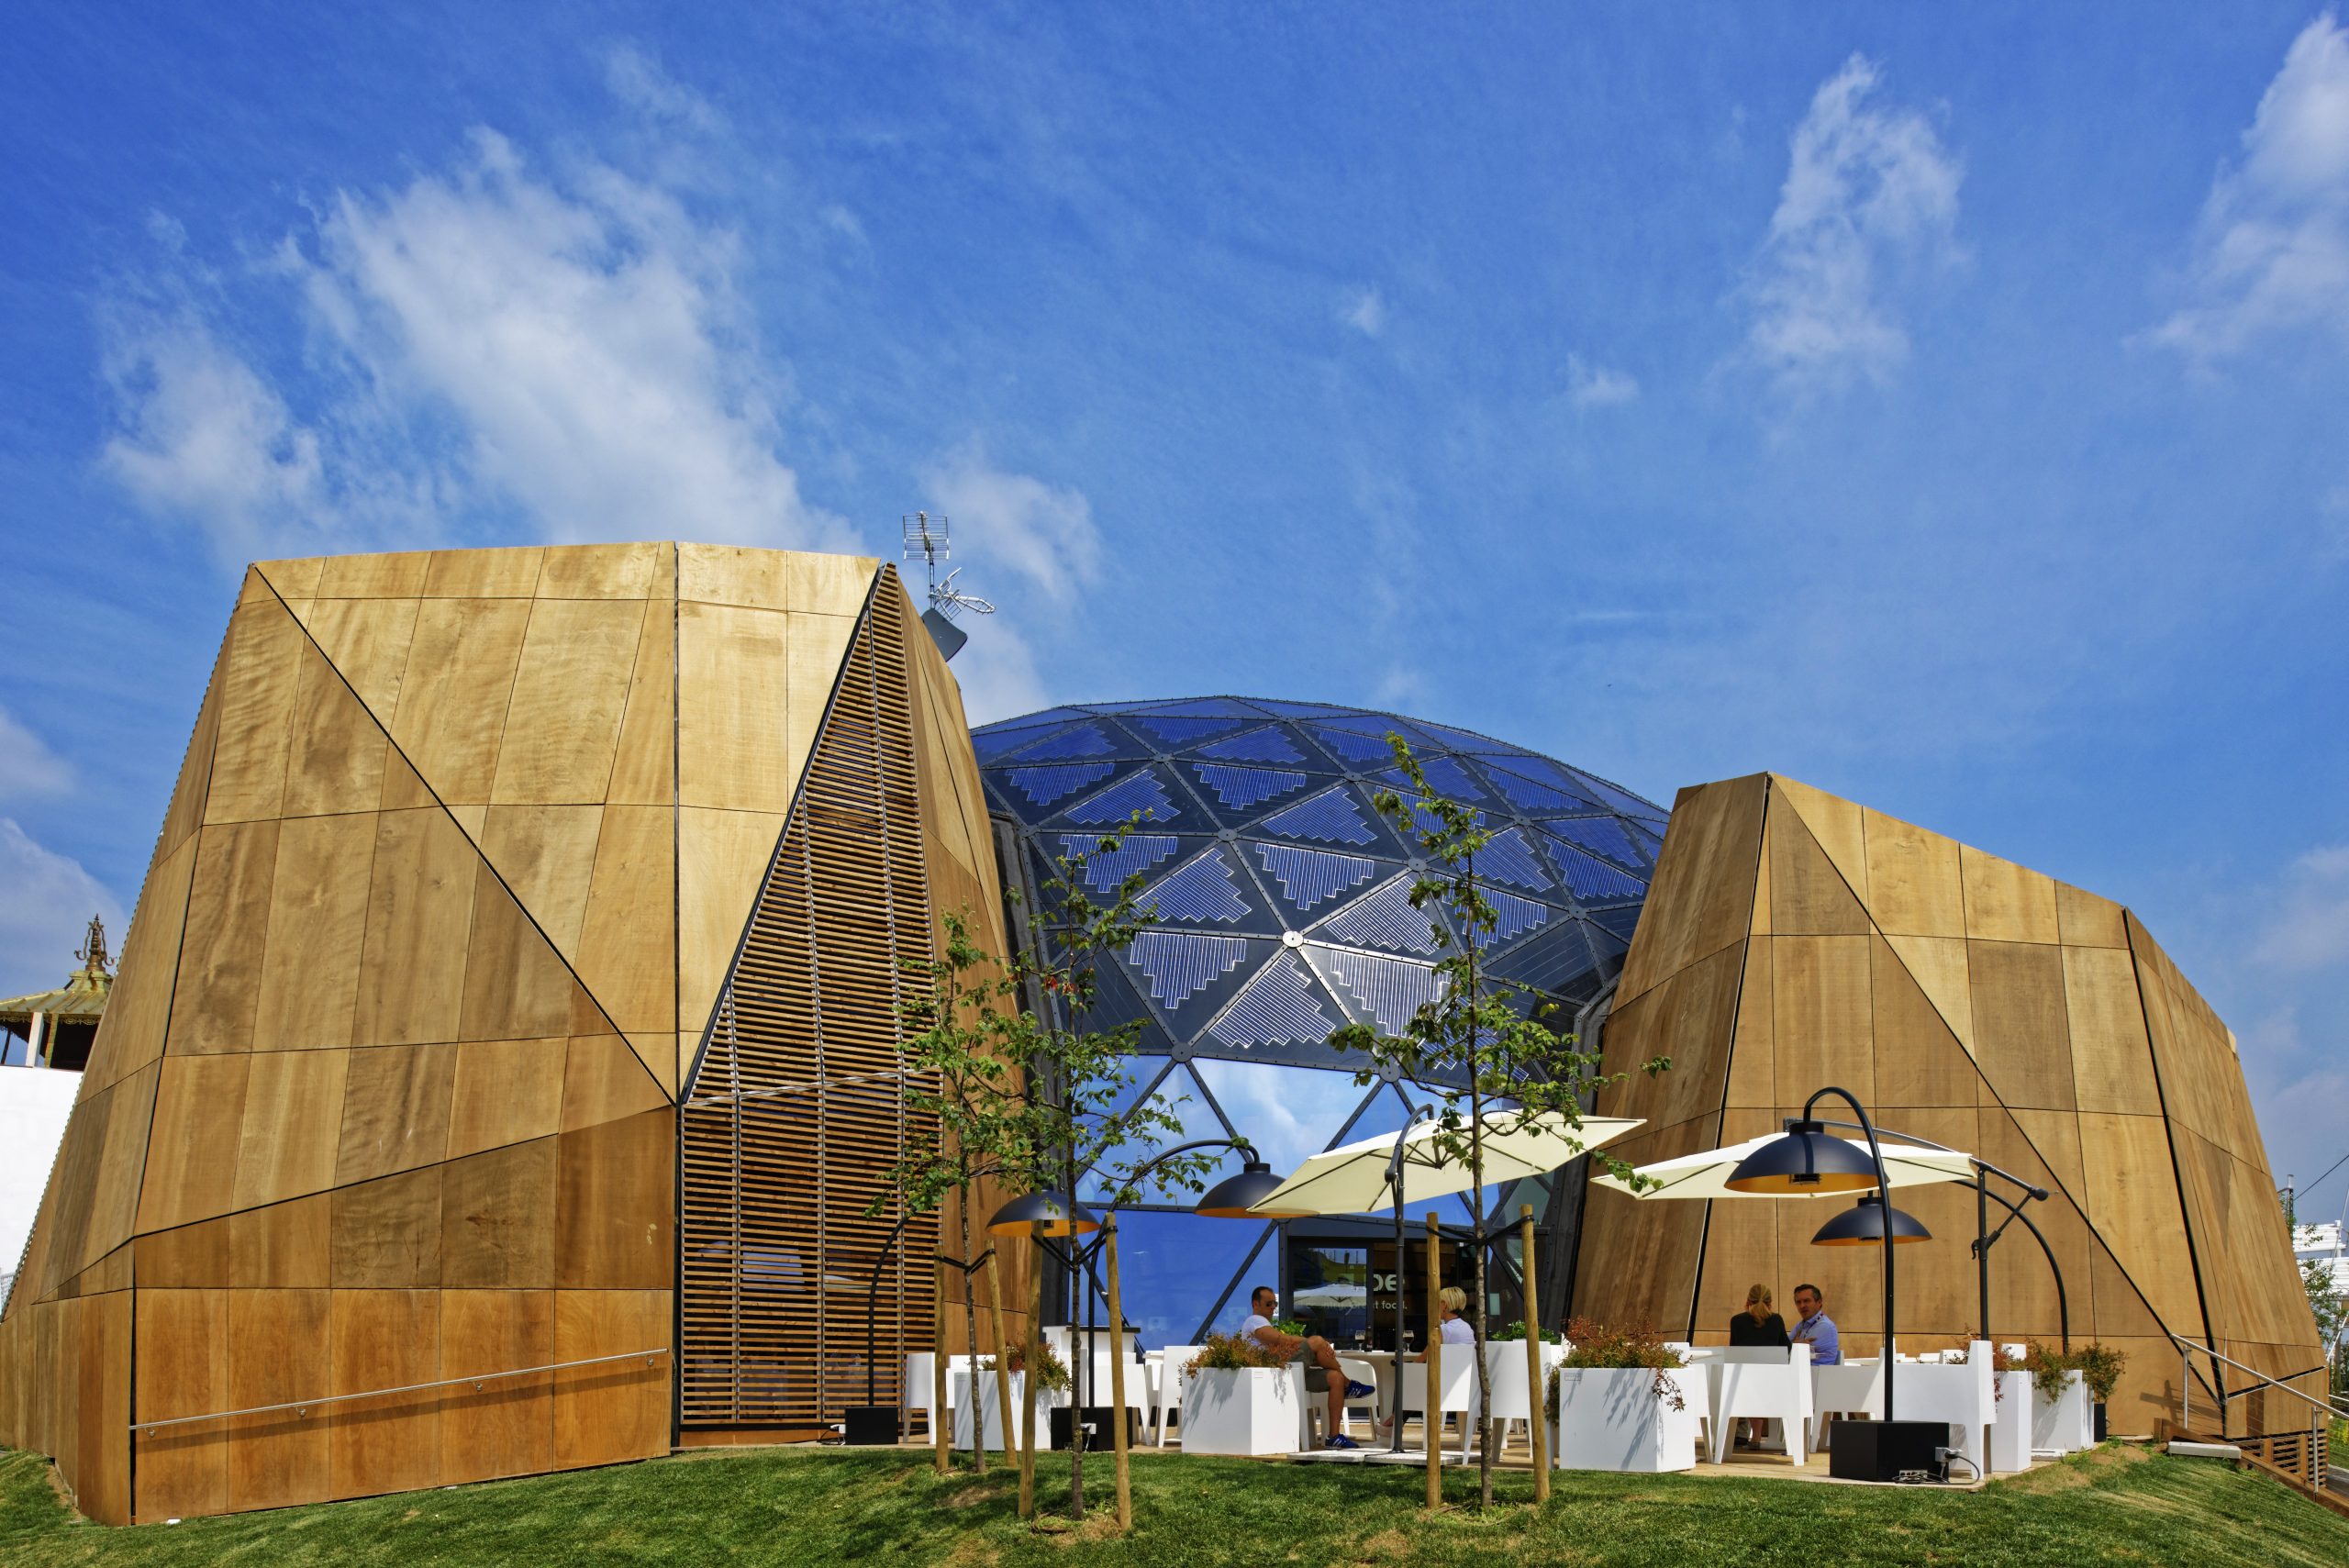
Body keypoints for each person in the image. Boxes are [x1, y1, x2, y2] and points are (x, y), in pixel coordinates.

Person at [1240, 1285, 1379, 1450]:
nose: (1273, 1308)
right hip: (1274, 1371)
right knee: (1317, 1341)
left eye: (1275, 1304)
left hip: (1287, 1371)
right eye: (1269, 1304)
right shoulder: (1254, 1321)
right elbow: (1279, 1339)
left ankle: (1334, 1437)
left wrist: (1319, 1354)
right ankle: (1349, 1385)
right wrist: (1312, 1344)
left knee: (1336, 1378)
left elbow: (1280, 1343)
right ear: (1255, 1304)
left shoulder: (1265, 1323)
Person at [1378, 1285, 1476, 1440]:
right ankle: (1396, 1420)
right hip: (1463, 1386)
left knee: (1406, 1371)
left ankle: (1395, 1420)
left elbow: (1421, 1359)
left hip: (1442, 1389)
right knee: (1414, 1376)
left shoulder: (1442, 1330)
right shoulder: (1467, 1328)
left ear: (1444, 1305)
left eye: (1436, 1302)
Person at [1728, 1284, 1788, 1449]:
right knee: (1763, 1381)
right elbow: (1787, 1349)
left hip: (1743, 1384)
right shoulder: (1777, 1320)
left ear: (1748, 1301)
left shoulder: (1737, 1321)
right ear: (1770, 1303)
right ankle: (1756, 1437)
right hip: (1774, 1384)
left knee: (1752, 1381)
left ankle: (1748, 1435)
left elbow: (1733, 1352)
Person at [1789, 1283, 1839, 1365]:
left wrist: (1795, 1346)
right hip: (1804, 1373)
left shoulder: (1825, 1327)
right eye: (1798, 1302)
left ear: (1819, 1302)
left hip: (1819, 1375)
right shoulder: (1800, 1325)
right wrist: (1794, 1346)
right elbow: (1785, 1350)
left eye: (1806, 1301)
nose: (1802, 1306)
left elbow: (1796, 1355)